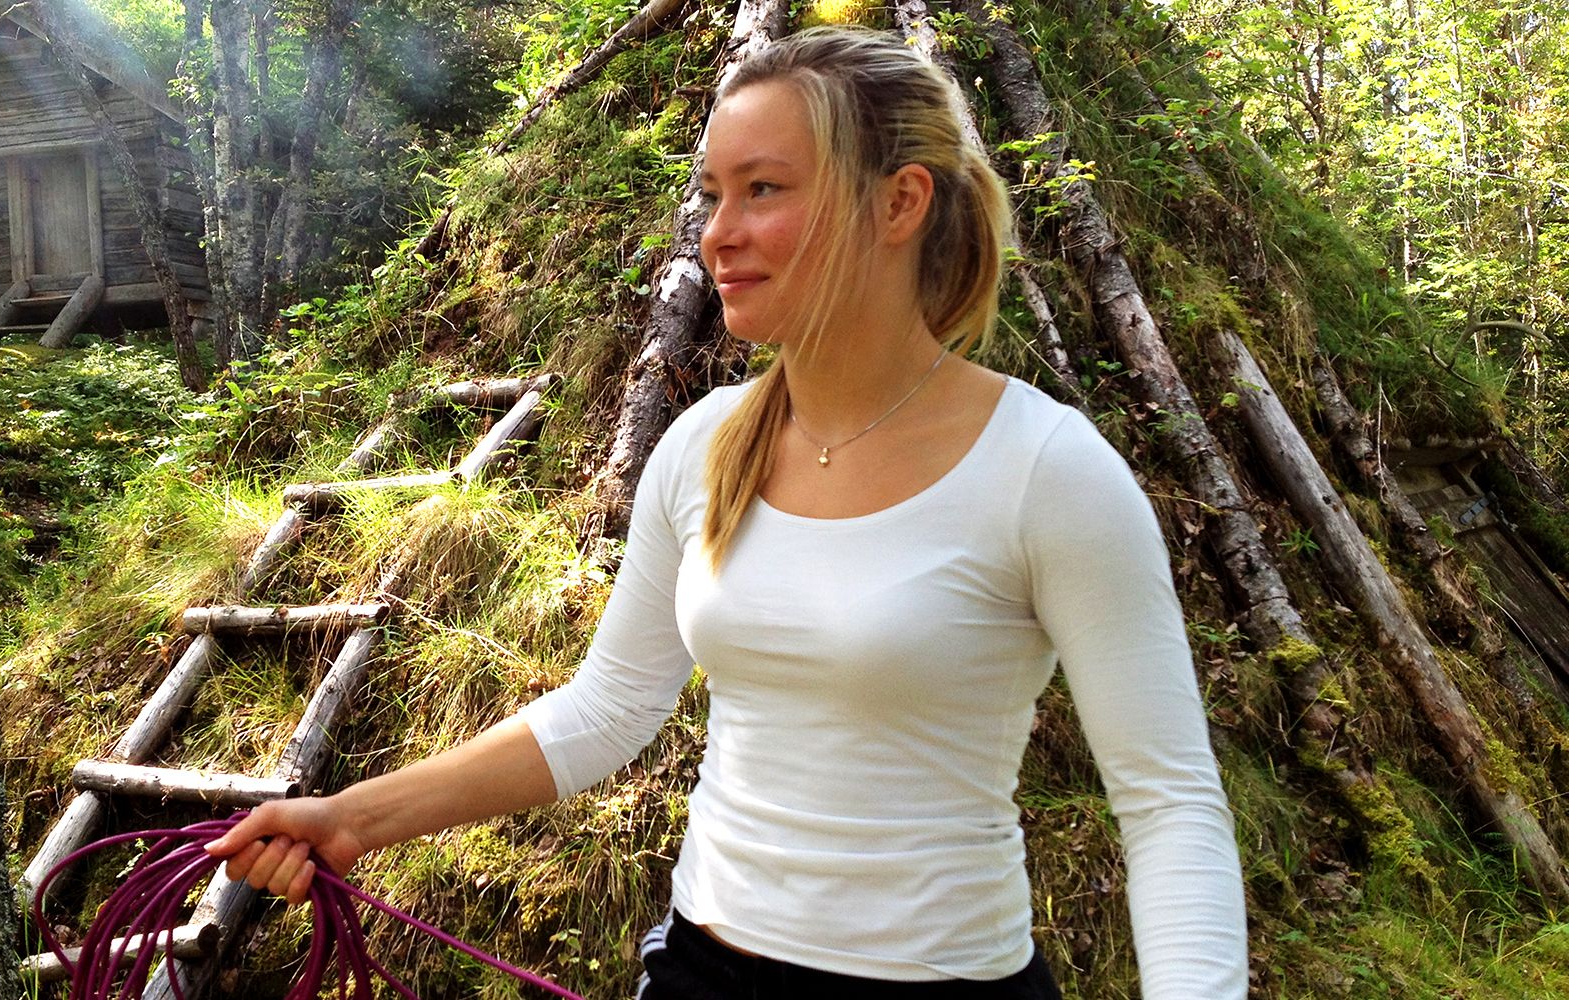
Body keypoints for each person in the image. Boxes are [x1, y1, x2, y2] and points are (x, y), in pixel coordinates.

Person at [206, 24, 1247, 999]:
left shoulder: (1045, 468)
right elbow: (606, 711)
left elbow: (1167, 806)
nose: (718, 235)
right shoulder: (704, 444)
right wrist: (349, 819)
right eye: (711, 194)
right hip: (701, 971)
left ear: (899, 204)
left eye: (763, 189)